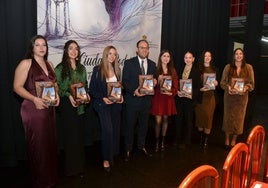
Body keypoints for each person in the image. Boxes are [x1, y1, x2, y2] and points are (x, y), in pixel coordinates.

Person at [13, 35, 59, 188]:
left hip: (49, 109)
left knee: (49, 144)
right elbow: (17, 87)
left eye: (44, 45)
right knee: (38, 146)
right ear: (32, 48)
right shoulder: (26, 63)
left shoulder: (50, 64)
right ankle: (40, 182)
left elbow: (55, 85)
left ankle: (49, 180)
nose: (41, 47)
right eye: (37, 45)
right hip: (33, 108)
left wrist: (57, 95)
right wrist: (34, 99)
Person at [55, 40, 89, 177]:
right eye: (71, 48)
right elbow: (58, 88)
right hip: (67, 106)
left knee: (79, 137)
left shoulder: (82, 68)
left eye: (76, 48)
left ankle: (79, 167)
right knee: (70, 137)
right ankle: (70, 169)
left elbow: (85, 85)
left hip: (80, 107)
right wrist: (68, 95)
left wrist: (87, 96)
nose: (74, 51)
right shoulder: (60, 68)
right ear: (66, 51)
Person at [89, 45, 123, 172]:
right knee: (107, 131)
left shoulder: (117, 70)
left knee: (114, 130)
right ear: (105, 55)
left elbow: (118, 87)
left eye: (114, 54)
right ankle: (105, 159)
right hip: (102, 105)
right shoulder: (98, 69)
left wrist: (121, 97)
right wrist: (103, 97)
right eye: (110, 53)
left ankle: (112, 154)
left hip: (115, 105)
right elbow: (92, 89)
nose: (112, 56)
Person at [122, 39, 157, 161]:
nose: (144, 49)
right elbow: (125, 82)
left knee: (144, 126)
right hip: (133, 101)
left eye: (146, 48)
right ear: (137, 49)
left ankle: (141, 146)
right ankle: (128, 149)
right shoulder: (129, 63)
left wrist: (155, 81)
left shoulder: (152, 64)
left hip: (146, 102)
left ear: (148, 50)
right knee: (130, 126)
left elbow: (155, 80)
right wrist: (134, 91)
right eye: (142, 47)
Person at [220, 48, 254, 149]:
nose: (238, 55)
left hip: (242, 99)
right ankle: (226, 138)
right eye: (236, 54)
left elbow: (251, 84)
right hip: (229, 98)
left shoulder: (249, 67)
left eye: (240, 54)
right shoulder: (228, 67)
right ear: (233, 56)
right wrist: (228, 87)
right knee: (227, 118)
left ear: (243, 55)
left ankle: (234, 139)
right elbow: (222, 82)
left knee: (239, 120)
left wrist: (245, 88)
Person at [150, 50, 178, 152]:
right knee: (158, 121)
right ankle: (157, 141)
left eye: (168, 56)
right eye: (164, 56)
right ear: (160, 57)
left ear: (170, 59)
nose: (166, 58)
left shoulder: (173, 70)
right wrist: (157, 80)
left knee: (166, 120)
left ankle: (163, 141)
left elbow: (175, 86)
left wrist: (172, 92)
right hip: (158, 98)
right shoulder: (155, 69)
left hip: (168, 98)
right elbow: (149, 85)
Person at [174, 51, 201, 149]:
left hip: (190, 100)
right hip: (180, 99)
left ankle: (186, 140)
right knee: (178, 120)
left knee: (188, 121)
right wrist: (177, 91)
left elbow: (198, 87)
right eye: (186, 57)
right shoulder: (180, 69)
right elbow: (176, 83)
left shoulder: (197, 71)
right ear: (184, 59)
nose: (188, 59)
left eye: (190, 58)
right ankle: (177, 138)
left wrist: (191, 94)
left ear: (193, 59)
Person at [195, 51, 218, 149]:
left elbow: (217, 83)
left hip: (210, 98)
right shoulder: (198, 69)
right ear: (202, 57)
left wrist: (216, 83)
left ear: (211, 57)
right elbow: (195, 84)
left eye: (209, 56)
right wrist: (199, 89)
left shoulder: (215, 69)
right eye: (205, 56)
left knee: (208, 119)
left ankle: (205, 140)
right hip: (200, 98)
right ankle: (201, 137)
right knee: (200, 120)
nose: (207, 57)